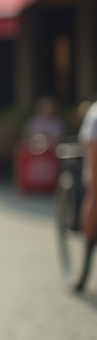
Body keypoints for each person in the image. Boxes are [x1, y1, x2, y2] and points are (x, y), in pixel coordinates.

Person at [80, 100, 97, 244]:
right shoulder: (95, 114)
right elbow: (92, 149)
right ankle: (89, 238)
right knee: (94, 194)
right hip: (94, 159)